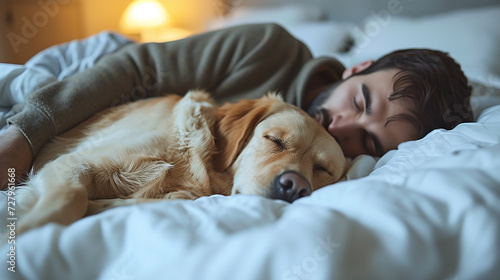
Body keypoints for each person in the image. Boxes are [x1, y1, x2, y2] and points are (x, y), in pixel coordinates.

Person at [0, 23, 473, 189]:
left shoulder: (329, 163)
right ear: (358, 66)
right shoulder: (268, 46)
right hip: (99, 72)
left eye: (367, 139)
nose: (342, 124)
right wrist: (25, 133)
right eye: (360, 100)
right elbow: (136, 68)